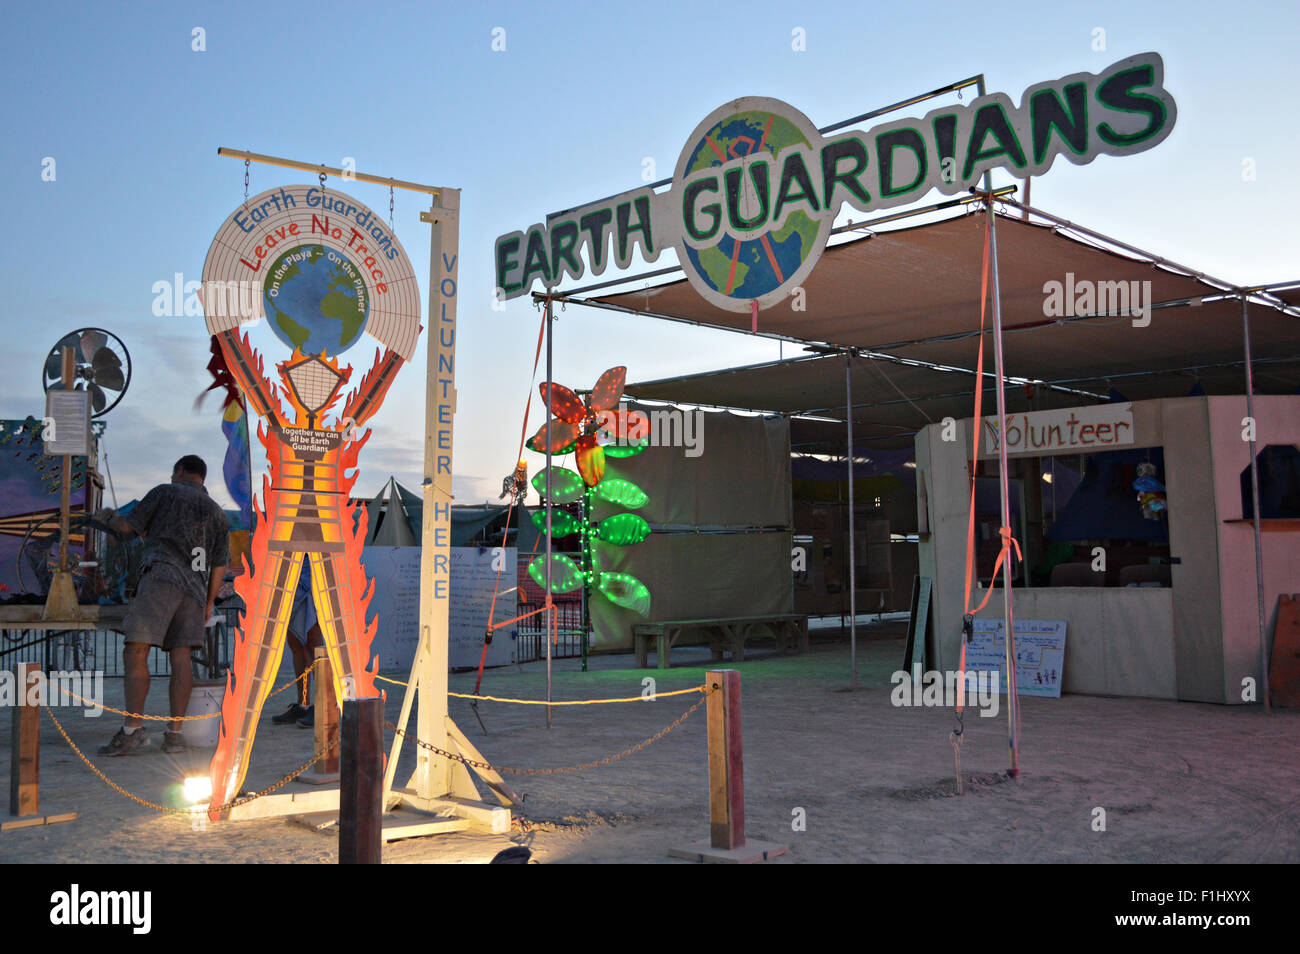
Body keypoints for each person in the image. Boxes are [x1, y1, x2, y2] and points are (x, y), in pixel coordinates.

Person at [94, 455, 229, 755]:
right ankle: (175, 735)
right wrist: (208, 602)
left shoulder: (166, 492)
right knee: (181, 658)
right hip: (195, 591)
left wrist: (107, 516)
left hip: (161, 579)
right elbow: (219, 566)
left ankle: (132, 730)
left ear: (180, 471)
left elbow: (127, 527)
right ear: (202, 477)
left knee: (136, 649)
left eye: (174, 473)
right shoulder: (217, 513)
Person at [271, 570, 326, 728]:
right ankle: (303, 705)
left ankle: (324, 707)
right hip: (290, 569)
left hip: (313, 567)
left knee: (312, 640)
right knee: (295, 642)